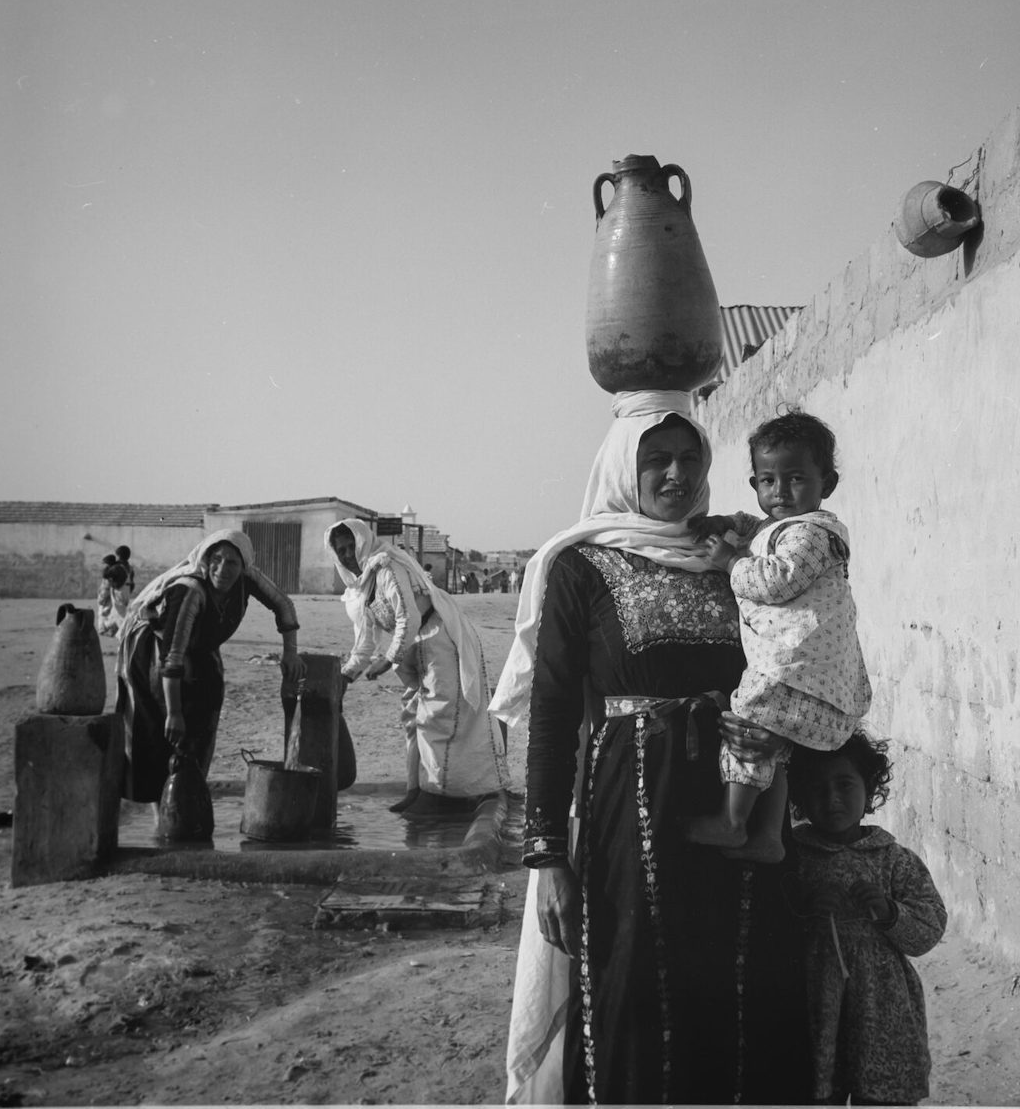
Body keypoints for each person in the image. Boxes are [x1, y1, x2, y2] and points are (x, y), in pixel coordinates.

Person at [491, 390, 812, 1105]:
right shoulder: (582, 568)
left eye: (689, 458)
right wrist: (547, 858)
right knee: (637, 991)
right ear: (622, 469)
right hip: (632, 821)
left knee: (741, 991)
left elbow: (799, 660)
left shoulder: (740, 554)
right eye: (656, 461)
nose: (675, 474)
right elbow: (550, 714)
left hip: (738, 800)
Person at [685, 409, 871, 862]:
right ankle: (768, 835)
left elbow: (776, 580)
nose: (780, 492)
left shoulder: (812, 534)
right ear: (756, 485)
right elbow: (758, 529)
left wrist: (730, 562)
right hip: (798, 667)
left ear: (826, 484)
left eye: (795, 479)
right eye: (768, 481)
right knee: (773, 749)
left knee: (748, 722)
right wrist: (726, 524)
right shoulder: (781, 526)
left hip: (796, 666)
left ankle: (733, 822)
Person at [787, 731, 947, 1106]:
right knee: (816, 1088)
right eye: (817, 788)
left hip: (881, 1006)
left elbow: (929, 925)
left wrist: (890, 912)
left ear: (870, 788)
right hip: (815, 1004)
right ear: (799, 798)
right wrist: (802, 907)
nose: (833, 798)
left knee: (881, 1091)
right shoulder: (794, 859)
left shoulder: (893, 859)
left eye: (844, 784)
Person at [325, 518, 508, 816]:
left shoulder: (386, 568)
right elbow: (364, 642)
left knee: (438, 715)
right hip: (414, 646)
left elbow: (407, 617)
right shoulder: (360, 589)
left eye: (350, 546)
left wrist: (389, 659)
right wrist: (346, 675)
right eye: (341, 550)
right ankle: (416, 789)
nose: (347, 554)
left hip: (440, 638)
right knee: (412, 717)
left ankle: (438, 793)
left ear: (361, 542)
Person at [114, 529, 305, 806]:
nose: (222, 569)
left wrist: (291, 653)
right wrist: (175, 713)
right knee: (155, 721)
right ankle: (157, 803)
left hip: (202, 644)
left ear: (243, 566)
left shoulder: (247, 579)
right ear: (205, 559)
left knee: (208, 703)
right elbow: (172, 658)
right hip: (154, 648)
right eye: (216, 560)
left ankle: (188, 787)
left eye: (232, 563)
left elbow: (283, 605)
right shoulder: (189, 592)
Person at [95, 559, 130, 637]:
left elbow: (119, 614)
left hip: (121, 621)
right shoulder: (123, 575)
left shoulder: (118, 592)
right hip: (117, 609)